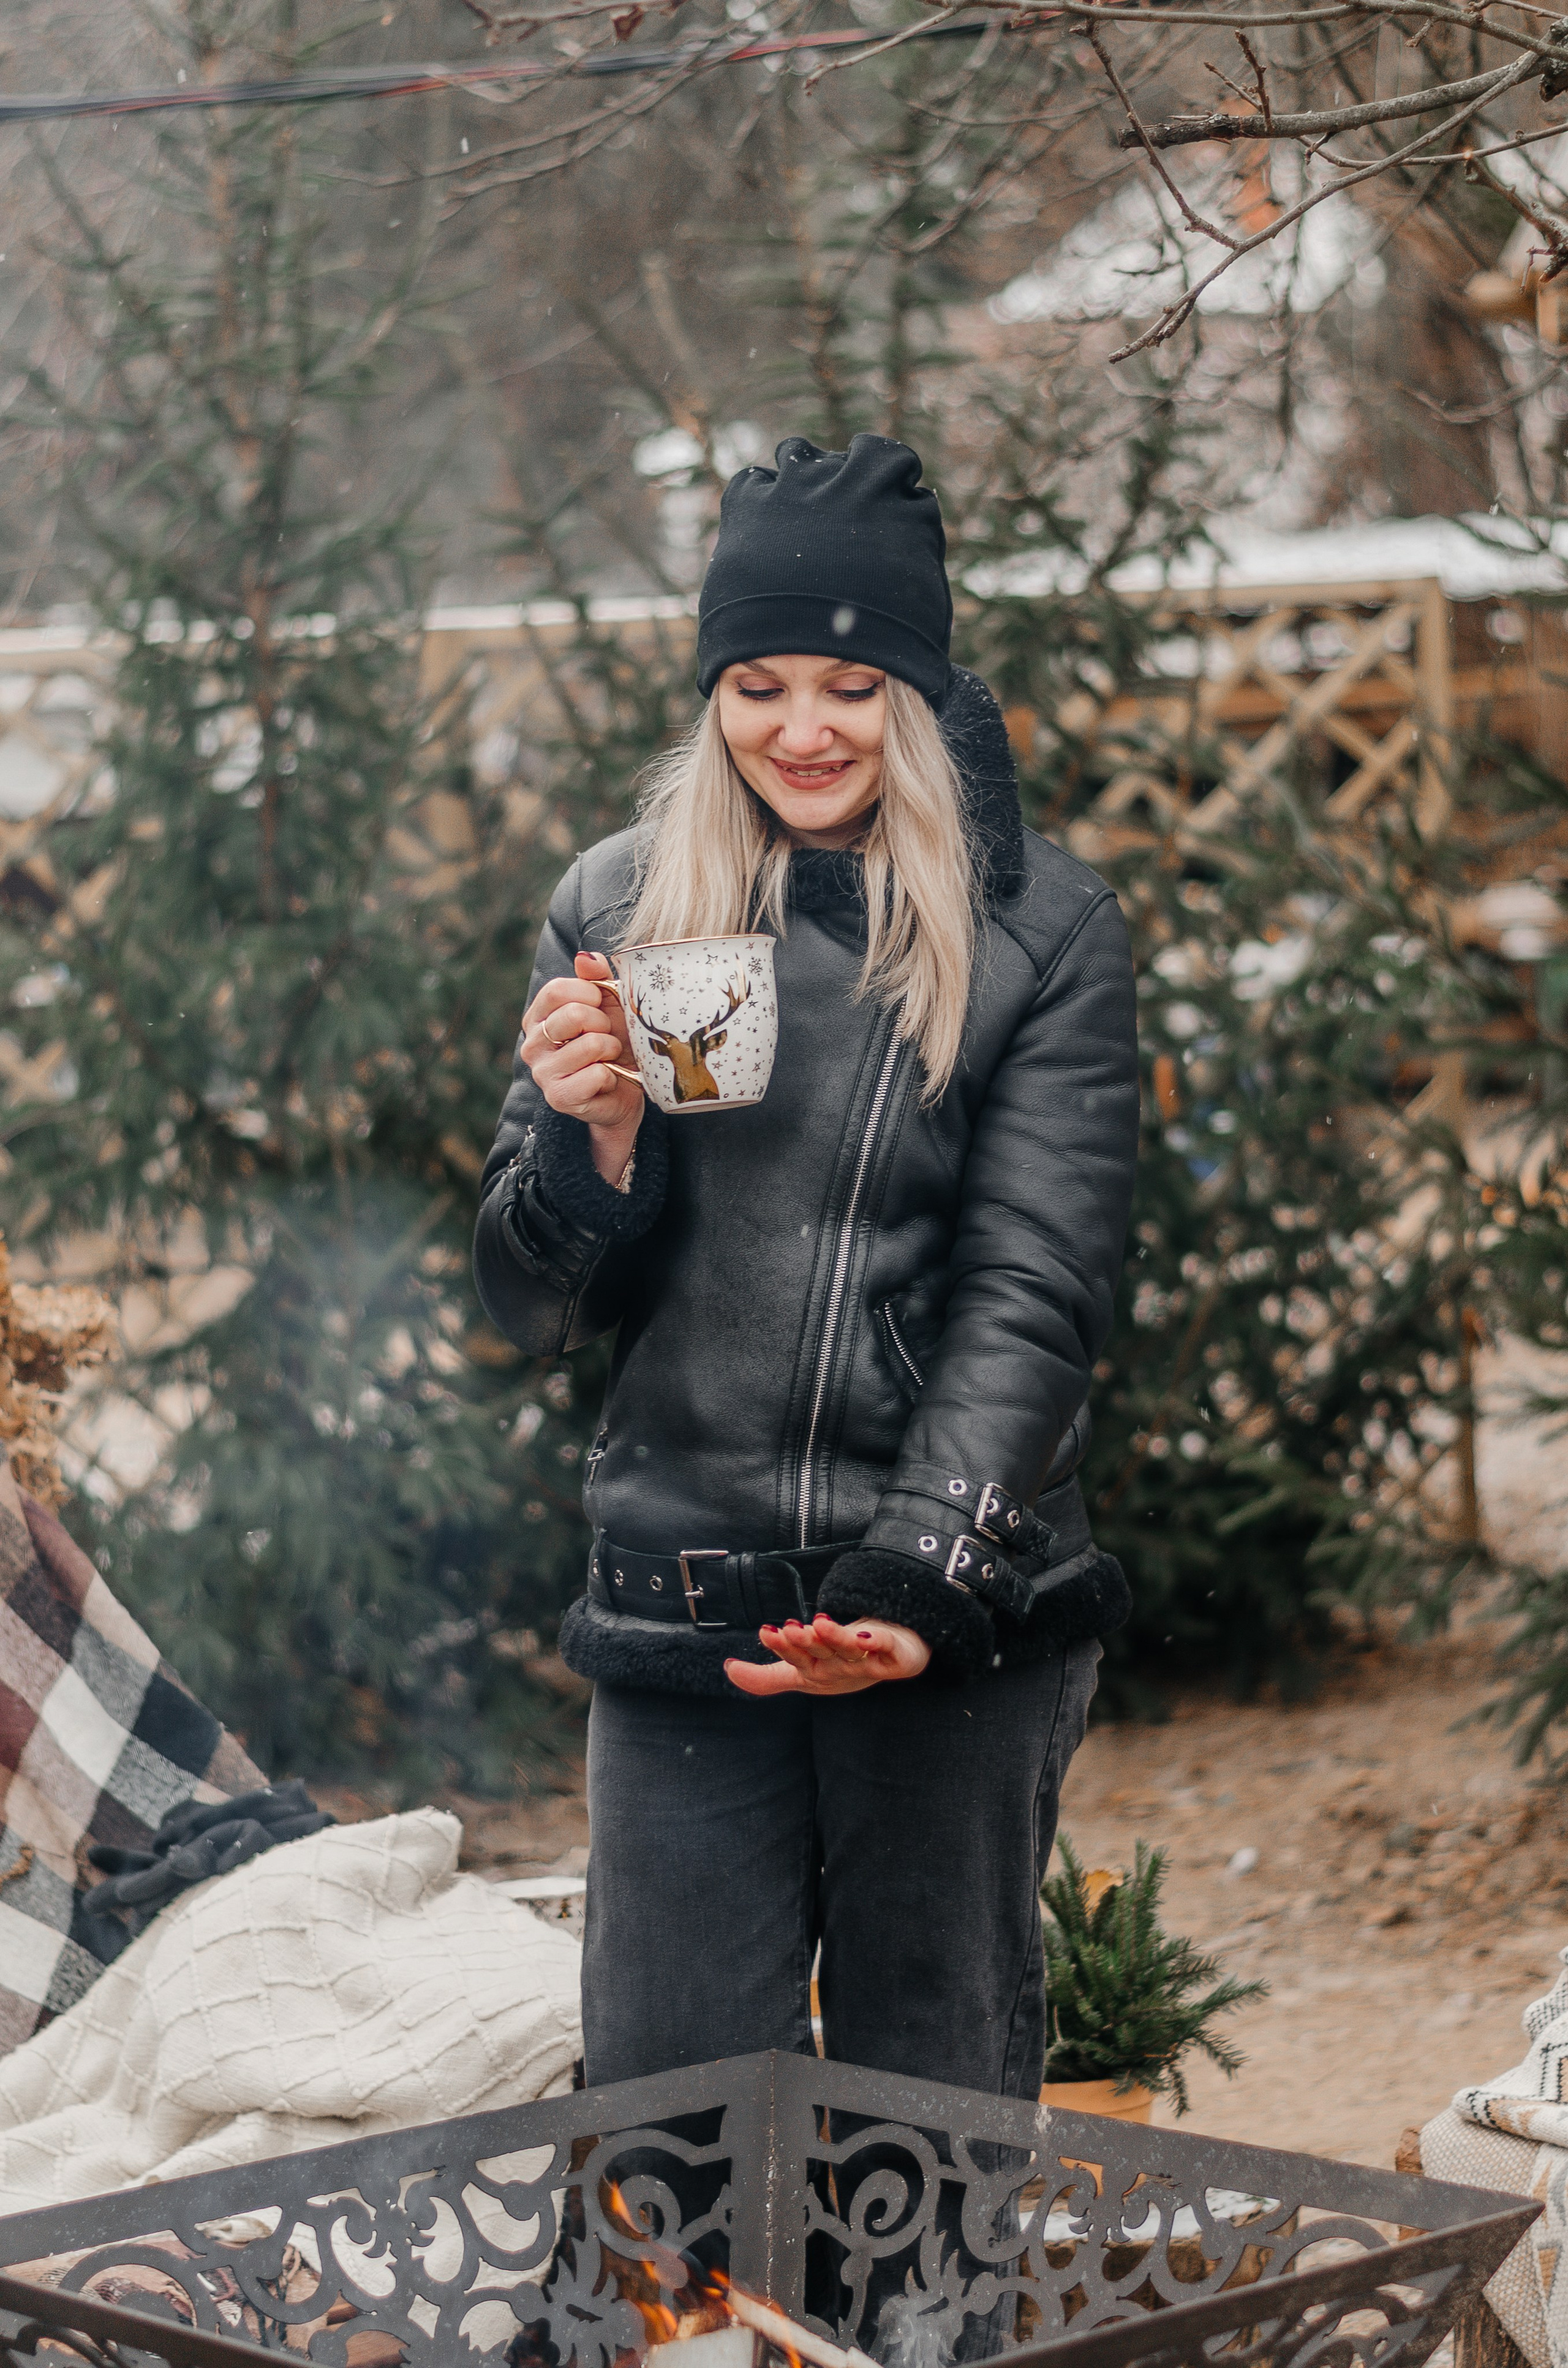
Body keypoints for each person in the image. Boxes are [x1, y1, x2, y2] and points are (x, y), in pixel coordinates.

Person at [475, 434, 1139, 2101]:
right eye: (757, 684)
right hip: (682, 1611)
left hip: (940, 1613)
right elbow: (526, 1303)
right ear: (715, 694)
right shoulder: (619, 905)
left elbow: (1035, 1287)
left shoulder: (1042, 932)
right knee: (668, 2143)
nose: (803, 728)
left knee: (926, 2133)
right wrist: (589, 1138)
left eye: (851, 681)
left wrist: (913, 1581)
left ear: (915, 686)